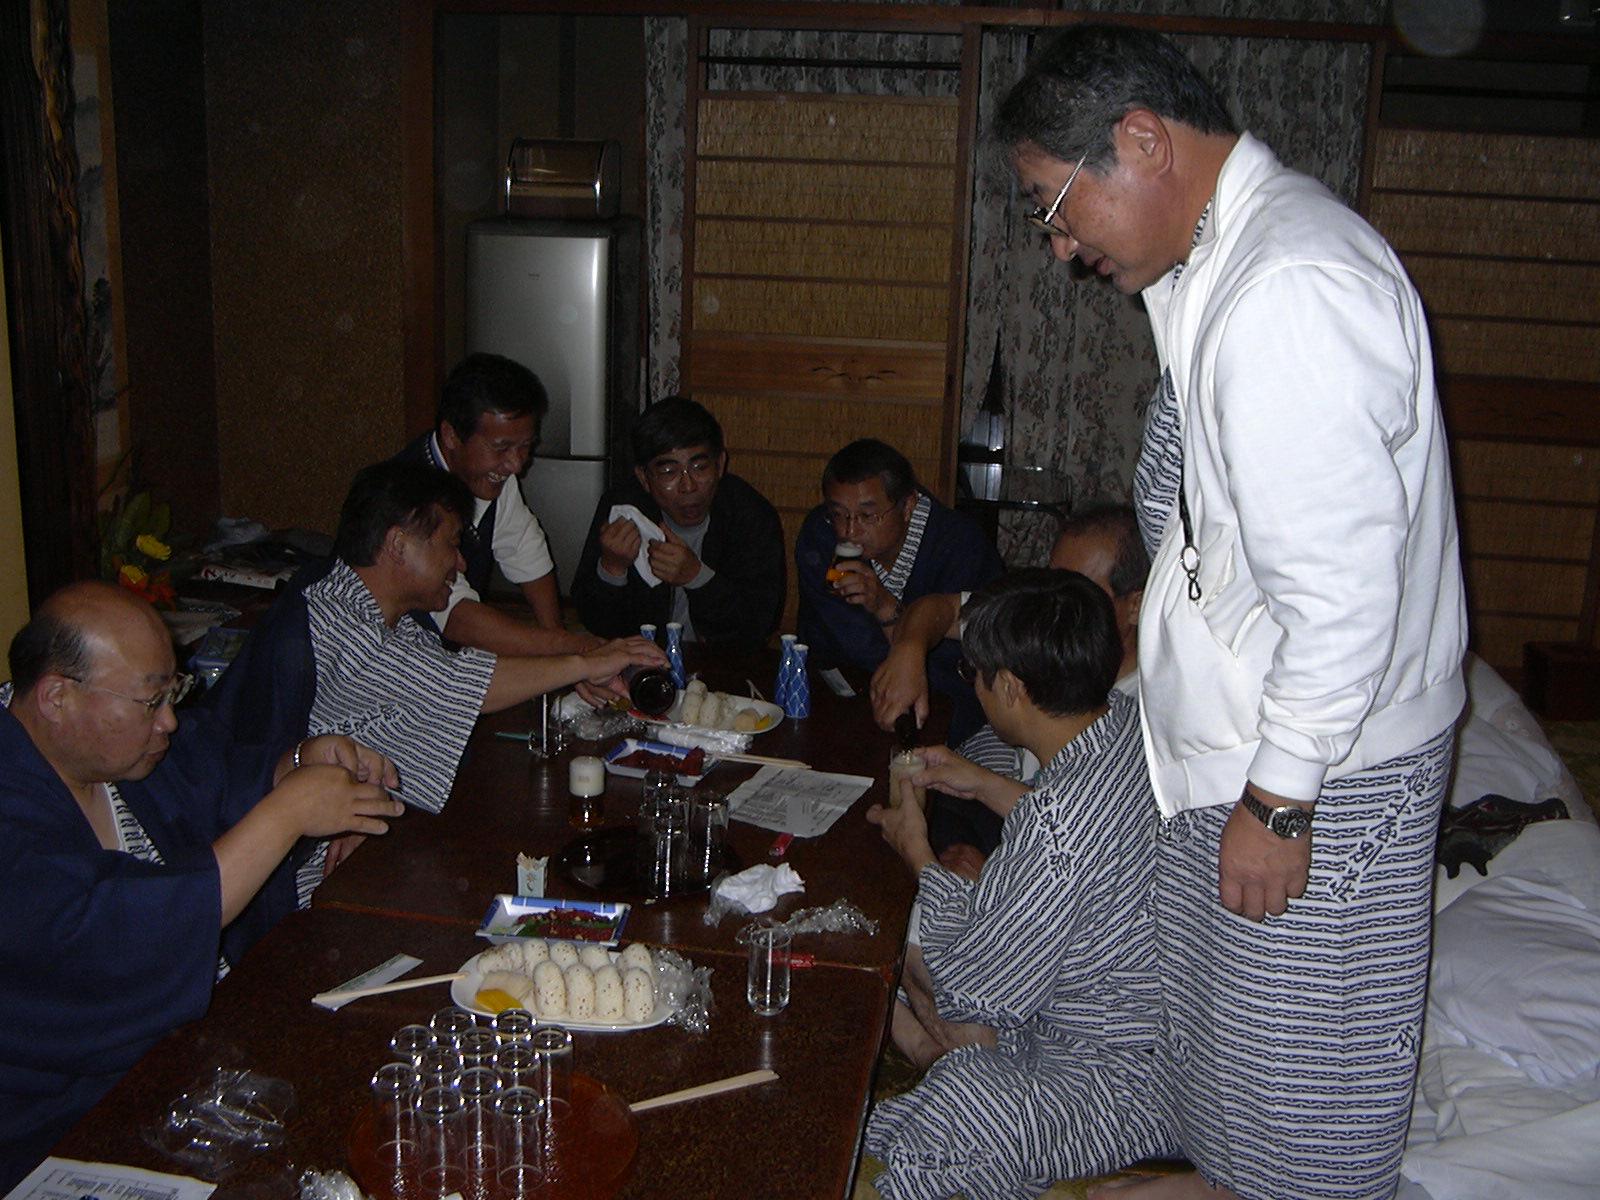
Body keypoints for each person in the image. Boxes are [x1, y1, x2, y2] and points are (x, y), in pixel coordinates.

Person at [994, 26, 1467, 1200]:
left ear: (1141, 142)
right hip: (1246, 752)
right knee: (1232, 1057)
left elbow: (1343, 595)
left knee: (1300, 1090)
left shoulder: (1290, 287)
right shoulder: (1217, 265)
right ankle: (1222, 1179)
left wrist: (1279, 801)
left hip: (1315, 770)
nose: (1057, 245)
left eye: (1054, 204)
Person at [0, 581, 404, 1189]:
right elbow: (110, 934)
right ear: (57, 696)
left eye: (174, 693)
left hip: (198, 1059)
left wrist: (301, 762)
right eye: (150, 701)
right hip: (66, 1117)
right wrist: (288, 813)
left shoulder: (114, 750)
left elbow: (214, 769)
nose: (168, 720)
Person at [863, 570, 1175, 1197]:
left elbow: (973, 987)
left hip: (1120, 1075)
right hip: (1161, 1033)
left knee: (948, 1107)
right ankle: (929, 1050)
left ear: (1008, 687)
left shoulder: (1055, 825)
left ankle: (931, 1054)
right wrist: (982, 783)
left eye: (974, 673)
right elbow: (1084, 831)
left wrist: (917, 850)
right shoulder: (1128, 725)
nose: (973, 685)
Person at [199, 462, 665, 828]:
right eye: (451, 544)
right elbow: (462, 684)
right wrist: (586, 661)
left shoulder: (375, 609)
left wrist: (579, 663)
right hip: (290, 859)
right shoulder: (338, 617)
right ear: (398, 544)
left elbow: (452, 671)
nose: (460, 564)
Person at [796, 438, 1003, 748]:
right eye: (838, 514)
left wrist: (886, 609)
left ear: (908, 506)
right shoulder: (821, 535)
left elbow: (959, 666)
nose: (849, 531)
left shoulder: (961, 545)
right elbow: (839, 641)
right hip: (842, 700)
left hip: (944, 714)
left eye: (867, 516)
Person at [393, 352, 595, 655]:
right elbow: (455, 616)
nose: (516, 464)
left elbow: (523, 547)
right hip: (394, 658)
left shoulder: (490, 474)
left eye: (525, 446)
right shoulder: (408, 501)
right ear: (451, 435)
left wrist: (557, 639)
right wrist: (566, 648)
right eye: (501, 448)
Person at [572, 396, 785, 651]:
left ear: (720, 465)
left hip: (719, 659)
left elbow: (758, 625)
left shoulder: (750, 515)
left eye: (700, 467)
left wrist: (697, 577)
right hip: (641, 656)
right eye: (668, 472)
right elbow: (596, 622)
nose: (688, 486)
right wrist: (612, 569)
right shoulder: (624, 510)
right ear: (644, 478)